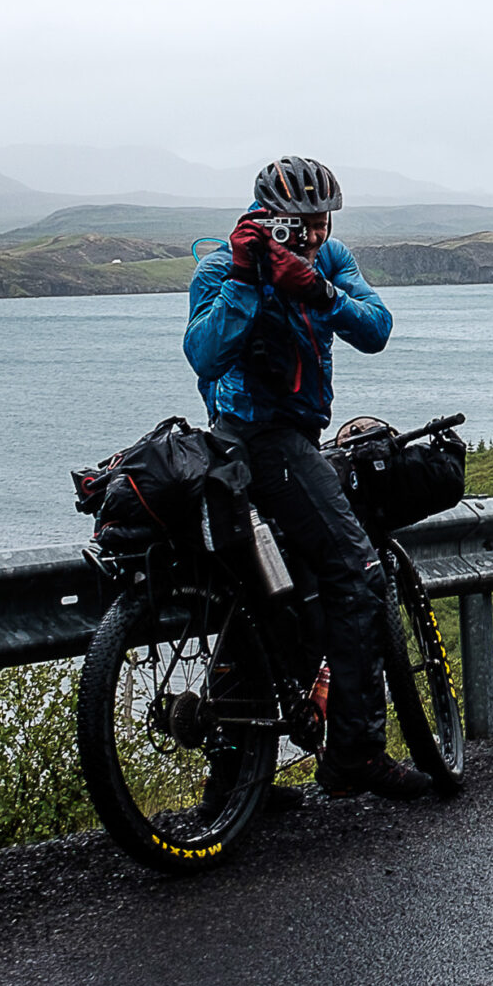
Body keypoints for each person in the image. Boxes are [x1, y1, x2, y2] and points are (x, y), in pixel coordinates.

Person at [184, 155, 432, 801]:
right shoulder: (221, 267)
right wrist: (248, 277)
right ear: (266, 221)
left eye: (320, 222)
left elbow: (376, 329)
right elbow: (205, 354)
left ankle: (236, 781)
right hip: (256, 442)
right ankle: (356, 752)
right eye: (298, 226)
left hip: (290, 444)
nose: (313, 236)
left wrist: (318, 289)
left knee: (264, 603)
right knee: (358, 574)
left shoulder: (329, 260)